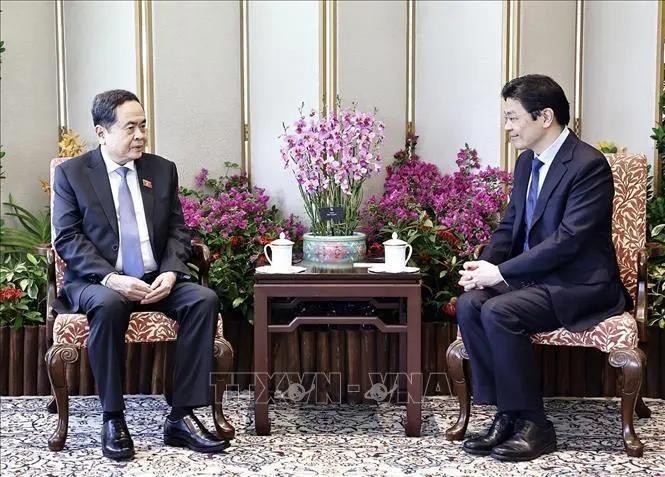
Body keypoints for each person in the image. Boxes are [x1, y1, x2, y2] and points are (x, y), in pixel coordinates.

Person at [456, 74, 631, 462]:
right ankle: (506, 414)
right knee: (470, 303)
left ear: (545, 116)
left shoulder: (588, 165)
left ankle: (536, 425)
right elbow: (509, 226)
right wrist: (484, 265)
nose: (507, 128)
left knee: (501, 309)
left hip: (579, 283)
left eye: (513, 118)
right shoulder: (525, 163)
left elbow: (569, 240)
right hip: (535, 279)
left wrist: (501, 275)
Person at [52, 90, 230, 460]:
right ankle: (113, 418)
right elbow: (66, 238)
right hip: (99, 283)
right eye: (130, 127)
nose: (140, 135)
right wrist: (111, 278)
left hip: (155, 278)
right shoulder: (73, 174)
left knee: (203, 299)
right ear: (102, 133)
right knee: (109, 305)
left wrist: (170, 272)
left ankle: (181, 416)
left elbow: (180, 231)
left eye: (143, 125)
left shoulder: (161, 169)